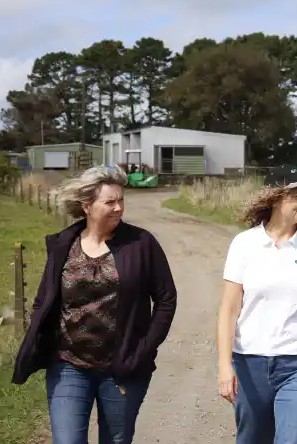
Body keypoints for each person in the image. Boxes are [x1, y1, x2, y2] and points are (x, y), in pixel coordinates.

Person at [11, 165, 178, 444]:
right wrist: (39, 340)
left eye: (121, 200)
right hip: (68, 364)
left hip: (123, 367)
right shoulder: (64, 244)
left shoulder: (141, 244)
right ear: (87, 206)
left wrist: (143, 350)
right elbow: (44, 298)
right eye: (109, 202)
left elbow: (166, 299)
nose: (118, 208)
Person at [216, 165, 297, 444]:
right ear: (275, 198)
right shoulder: (244, 244)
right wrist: (225, 365)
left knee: (294, 439)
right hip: (250, 363)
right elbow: (228, 311)